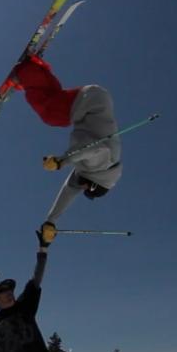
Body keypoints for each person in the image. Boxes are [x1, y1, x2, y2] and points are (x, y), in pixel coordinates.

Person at [11, 55, 121, 227]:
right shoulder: (101, 165)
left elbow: (68, 192)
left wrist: (51, 222)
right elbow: (94, 149)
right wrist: (63, 161)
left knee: (54, 104)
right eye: (86, 188)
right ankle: (25, 71)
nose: (81, 187)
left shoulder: (94, 171)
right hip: (89, 104)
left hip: (92, 100)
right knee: (50, 114)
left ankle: (33, 72)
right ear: (94, 185)